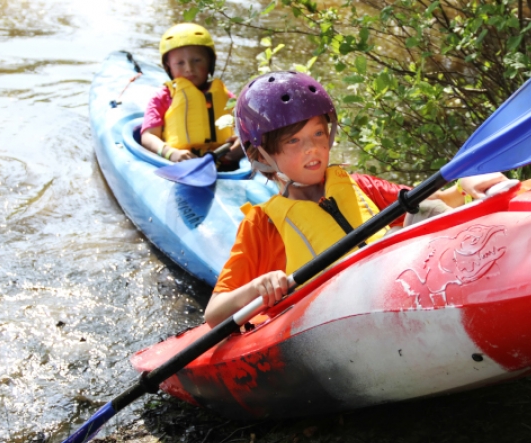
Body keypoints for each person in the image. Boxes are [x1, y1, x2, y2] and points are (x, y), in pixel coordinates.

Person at [204, 71, 507, 327]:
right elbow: (215, 313)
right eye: (294, 140)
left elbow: (435, 204)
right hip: (330, 318)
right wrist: (258, 287)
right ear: (261, 156)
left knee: (424, 207)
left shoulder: (360, 185)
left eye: (319, 133)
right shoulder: (263, 224)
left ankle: (491, 268)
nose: (312, 148)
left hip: (395, 286)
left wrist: (469, 180)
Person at [140, 23, 242, 168]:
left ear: (210, 62)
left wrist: (242, 145)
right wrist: (171, 153)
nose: (189, 69)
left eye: (197, 60)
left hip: (223, 164)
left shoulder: (227, 96)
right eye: (180, 63)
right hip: (179, 165)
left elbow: (249, 131)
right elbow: (148, 136)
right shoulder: (162, 97)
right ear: (168, 66)